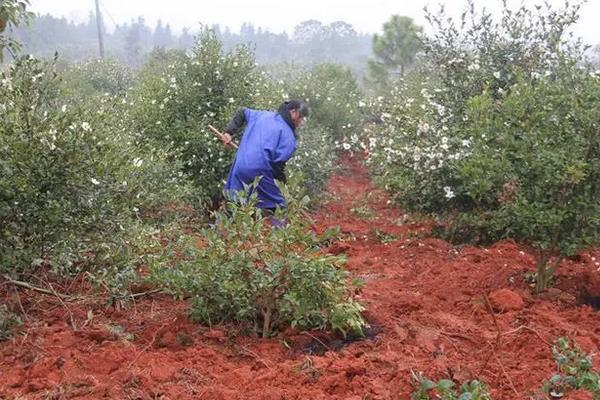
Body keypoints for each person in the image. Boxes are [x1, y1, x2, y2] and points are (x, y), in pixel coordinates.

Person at [221, 100, 309, 213]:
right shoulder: (289, 137)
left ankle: (223, 228)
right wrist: (282, 187)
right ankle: (280, 229)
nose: (301, 122)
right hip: (260, 173)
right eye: (301, 118)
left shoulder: (262, 115)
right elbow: (277, 166)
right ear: (293, 112)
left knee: (235, 202)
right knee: (279, 207)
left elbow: (242, 112)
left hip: (240, 167)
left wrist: (228, 132)